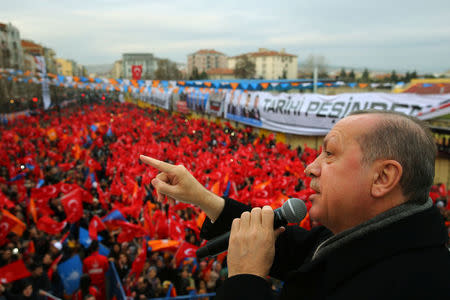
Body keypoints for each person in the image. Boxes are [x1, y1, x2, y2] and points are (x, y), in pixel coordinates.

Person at [140, 110, 450, 299]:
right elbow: (290, 249)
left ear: (383, 177)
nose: (310, 167)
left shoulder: (412, 285)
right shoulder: (365, 234)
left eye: (329, 153)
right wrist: (201, 197)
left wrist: (246, 279)